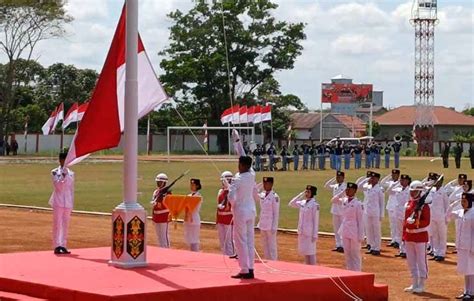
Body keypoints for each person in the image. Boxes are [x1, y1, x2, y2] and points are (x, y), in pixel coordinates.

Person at [228, 156, 259, 279]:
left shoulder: (238, 179)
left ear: (242, 165)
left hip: (240, 211)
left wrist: (233, 206)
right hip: (251, 210)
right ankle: (250, 267)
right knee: (250, 241)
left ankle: (244, 269)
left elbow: (231, 197)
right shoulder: (252, 174)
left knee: (240, 241)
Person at [403, 180, 431, 294]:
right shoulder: (409, 204)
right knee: (411, 261)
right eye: (411, 191)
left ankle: (422, 284)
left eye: (415, 191)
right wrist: (403, 235)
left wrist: (414, 223)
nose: (412, 193)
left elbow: (426, 221)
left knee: (421, 261)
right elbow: (404, 221)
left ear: (419, 192)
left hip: (420, 236)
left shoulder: (424, 206)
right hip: (409, 236)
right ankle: (414, 282)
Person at [331, 182, 364, 271]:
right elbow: (333, 200)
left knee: (355, 254)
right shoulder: (344, 200)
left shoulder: (358, 204)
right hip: (345, 229)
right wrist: (342, 193)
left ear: (355, 191)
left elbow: (360, 221)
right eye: (347, 189)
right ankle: (349, 272)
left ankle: (357, 273)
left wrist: (361, 235)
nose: (348, 191)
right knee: (347, 253)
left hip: (354, 231)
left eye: (350, 189)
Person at [49, 150, 74, 254]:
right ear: (60, 160)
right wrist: (63, 175)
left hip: (67, 201)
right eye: (63, 160)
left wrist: (71, 202)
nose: (64, 162)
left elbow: (71, 189)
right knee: (57, 224)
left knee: (65, 224)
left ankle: (63, 244)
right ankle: (56, 245)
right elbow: (58, 186)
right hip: (58, 201)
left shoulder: (71, 173)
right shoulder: (54, 172)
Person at [449, 193, 474, 300]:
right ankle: (466, 291)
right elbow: (448, 214)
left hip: (470, 246)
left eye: (465, 201)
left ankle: (472, 292)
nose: (462, 203)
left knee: (471, 269)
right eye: (462, 201)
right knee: (465, 269)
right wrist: (452, 204)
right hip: (461, 245)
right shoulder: (460, 212)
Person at [289, 185, 319, 265]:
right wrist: (301, 194)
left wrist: (315, 235)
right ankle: (308, 267)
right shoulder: (302, 202)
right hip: (302, 231)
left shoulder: (315, 205)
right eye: (306, 191)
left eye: (308, 192)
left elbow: (315, 220)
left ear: (312, 193)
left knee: (311, 252)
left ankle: (313, 268)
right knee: (305, 252)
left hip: (310, 232)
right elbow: (291, 203)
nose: (306, 193)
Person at [425, 173, 449, 262]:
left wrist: (447, 217)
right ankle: (435, 253)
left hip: (441, 217)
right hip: (433, 216)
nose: (436, 182)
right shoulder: (432, 190)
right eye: (435, 181)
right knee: (434, 235)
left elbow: (447, 206)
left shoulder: (444, 192)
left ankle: (441, 254)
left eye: (438, 181)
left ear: (441, 181)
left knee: (442, 236)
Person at [257, 177, 280, 260]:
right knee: (265, 245)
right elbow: (253, 194)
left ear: (271, 184)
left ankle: (274, 262)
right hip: (263, 223)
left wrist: (274, 226)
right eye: (264, 183)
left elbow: (276, 213)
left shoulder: (275, 197)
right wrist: (257, 186)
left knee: (272, 246)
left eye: (267, 183)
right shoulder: (262, 194)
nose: (265, 185)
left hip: (270, 225)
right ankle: (267, 260)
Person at [362, 172, 384, 255]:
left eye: (374, 178)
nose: (372, 179)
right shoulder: (368, 187)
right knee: (369, 230)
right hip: (368, 212)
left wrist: (381, 215)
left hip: (376, 212)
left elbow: (382, 203)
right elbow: (359, 185)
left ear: (378, 179)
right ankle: (371, 246)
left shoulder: (379, 189)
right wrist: (367, 179)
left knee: (376, 231)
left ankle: (377, 248)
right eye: (371, 178)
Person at [324, 171, 347, 253]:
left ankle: (343, 245)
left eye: (339, 177)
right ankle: (338, 245)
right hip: (335, 210)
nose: (338, 178)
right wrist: (334, 178)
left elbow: (345, 199)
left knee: (342, 229)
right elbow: (326, 185)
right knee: (336, 229)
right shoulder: (335, 186)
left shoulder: (345, 186)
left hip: (342, 210)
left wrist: (338, 200)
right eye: (337, 177)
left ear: (343, 178)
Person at [216, 171, 235, 256]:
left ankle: (231, 255)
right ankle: (224, 255)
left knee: (229, 241)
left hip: (229, 219)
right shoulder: (220, 191)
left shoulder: (233, 191)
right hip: (221, 219)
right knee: (222, 241)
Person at [381, 169, 401, 248]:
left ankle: (398, 240)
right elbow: (382, 183)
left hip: (397, 205)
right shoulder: (390, 182)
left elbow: (390, 191)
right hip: (390, 205)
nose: (393, 176)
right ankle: (393, 240)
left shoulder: (400, 183)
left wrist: (397, 181)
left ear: (398, 175)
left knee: (397, 225)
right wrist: (389, 176)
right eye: (392, 174)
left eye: (395, 175)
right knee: (392, 224)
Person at [151, 173, 171, 248]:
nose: (158, 184)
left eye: (160, 182)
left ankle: (167, 250)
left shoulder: (167, 193)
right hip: (157, 216)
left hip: (164, 216)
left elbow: (167, 205)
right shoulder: (156, 192)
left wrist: (159, 202)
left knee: (164, 236)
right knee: (159, 236)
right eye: (158, 182)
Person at [394, 174, 411, 258]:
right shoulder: (398, 189)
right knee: (399, 232)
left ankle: (407, 251)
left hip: (406, 214)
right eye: (401, 180)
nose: (402, 181)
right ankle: (402, 250)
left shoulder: (410, 191)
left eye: (404, 180)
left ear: (408, 181)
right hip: (398, 214)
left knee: (406, 233)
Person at [184, 179, 202, 252]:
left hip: (194, 217)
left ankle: (196, 253)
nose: (191, 186)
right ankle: (192, 253)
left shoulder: (198, 196)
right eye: (191, 185)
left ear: (197, 186)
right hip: (188, 218)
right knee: (189, 238)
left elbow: (194, 206)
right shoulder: (189, 195)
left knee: (194, 239)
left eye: (193, 185)